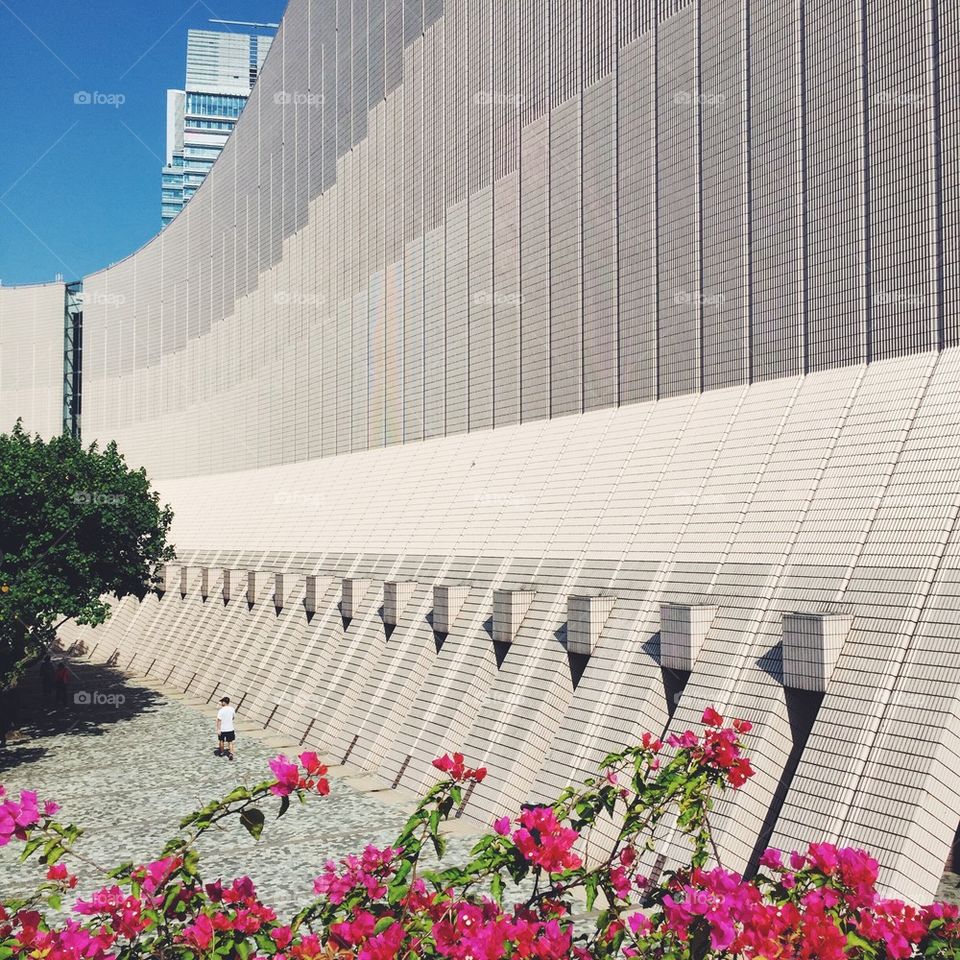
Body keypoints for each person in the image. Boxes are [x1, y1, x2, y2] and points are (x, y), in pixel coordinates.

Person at [216, 696, 236, 760]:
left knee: (221, 741)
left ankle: (222, 752)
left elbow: (219, 720)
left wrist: (218, 729)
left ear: (224, 702)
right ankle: (231, 753)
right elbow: (233, 717)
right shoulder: (232, 709)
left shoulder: (221, 710)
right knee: (230, 742)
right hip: (230, 728)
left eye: (222, 702)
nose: (221, 703)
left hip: (223, 729)